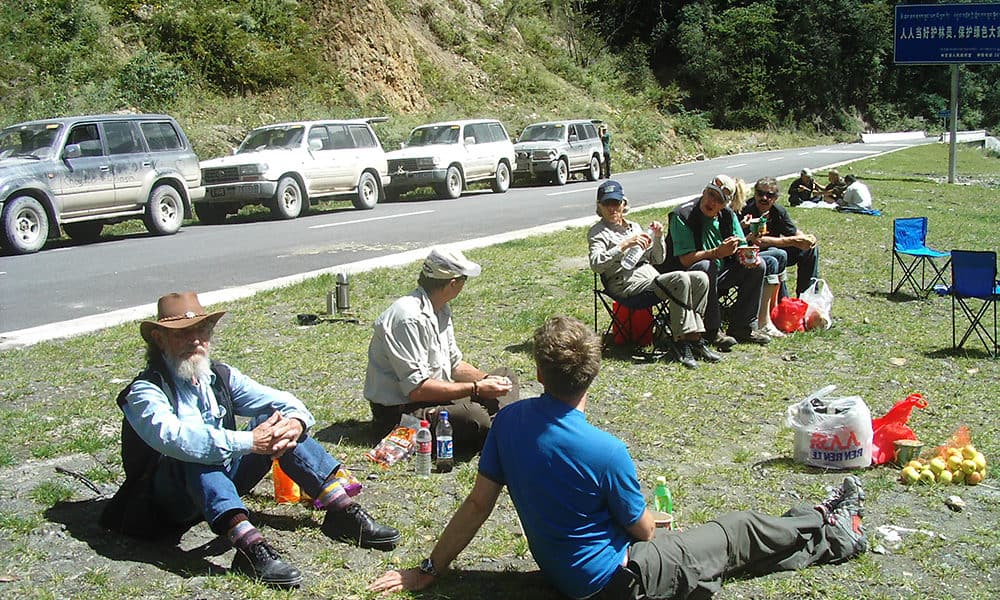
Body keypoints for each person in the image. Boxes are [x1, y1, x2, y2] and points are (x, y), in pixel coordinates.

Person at [368, 316, 868, 599]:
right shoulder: (605, 450)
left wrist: (428, 568)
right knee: (737, 531)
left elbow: (478, 505)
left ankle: (818, 530)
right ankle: (827, 524)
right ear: (594, 373)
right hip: (616, 582)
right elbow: (645, 532)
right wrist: (648, 515)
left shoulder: (510, 422)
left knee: (718, 558)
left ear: (539, 374)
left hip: (566, 574)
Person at [103, 292, 400, 589]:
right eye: (183, 333)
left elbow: (283, 401)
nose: (196, 340)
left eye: (202, 331)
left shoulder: (217, 375)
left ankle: (341, 510)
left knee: (277, 421)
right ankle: (249, 547)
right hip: (165, 501)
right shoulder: (144, 392)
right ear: (159, 339)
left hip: (217, 483)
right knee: (197, 452)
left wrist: (295, 423)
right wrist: (250, 441)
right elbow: (179, 439)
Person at [364, 247, 520, 449]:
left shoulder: (440, 308)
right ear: (453, 283)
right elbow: (417, 390)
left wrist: (487, 380)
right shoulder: (407, 319)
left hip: (434, 396)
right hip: (402, 412)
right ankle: (503, 429)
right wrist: (476, 388)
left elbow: (454, 365)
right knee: (474, 416)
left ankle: (500, 429)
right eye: (464, 280)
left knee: (506, 375)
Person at [588, 180, 720, 368]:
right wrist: (624, 245)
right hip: (625, 283)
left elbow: (657, 258)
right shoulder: (598, 232)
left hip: (650, 277)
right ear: (599, 206)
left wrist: (658, 238)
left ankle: (694, 337)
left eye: (616, 203)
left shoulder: (634, 227)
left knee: (700, 278)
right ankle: (680, 342)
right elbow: (596, 264)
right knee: (679, 279)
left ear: (623, 204)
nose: (612, 208)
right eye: (606, 203)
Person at [657, 175, 770, 350]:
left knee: (759, 265)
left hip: (719, 272)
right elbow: (685, 259)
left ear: (724, 205)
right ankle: (712, 330)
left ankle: (743, 327)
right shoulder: (682, 214)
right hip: (685, 276)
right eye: (710, 194)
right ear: (704, 192)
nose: (712, 202)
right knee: (705, 265)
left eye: (719, 200)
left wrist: (746, 256)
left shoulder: (727, 215)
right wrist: (716, 253)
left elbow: (740, 245)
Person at [741, 176, 820, 300]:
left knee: (809, 249)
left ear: (775, 198)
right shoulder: (745, 210)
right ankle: (783, 301)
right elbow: (759, 241)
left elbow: (793, 232)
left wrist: (806, 239)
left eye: (769, 195)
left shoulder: (777, 211)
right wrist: (792, 241)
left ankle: (807, 298)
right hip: (750, 255)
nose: (764, 198)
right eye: (760, 193)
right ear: (755, 194)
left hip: (773, 248)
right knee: (778, 254)